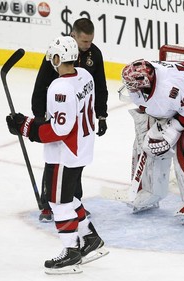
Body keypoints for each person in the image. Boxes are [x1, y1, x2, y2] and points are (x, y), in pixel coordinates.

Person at [6, 36, 109, 274]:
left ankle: (71, 253)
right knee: (70, 197)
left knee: (58, 202)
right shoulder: (85, 75)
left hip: (65, 154)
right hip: (82, 148)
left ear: (57, 58)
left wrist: (25, 128)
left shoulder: (59, 87)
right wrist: (28, 123)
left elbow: (59, 129)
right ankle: (90, 239)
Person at [120, 59, 184, 224]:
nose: (130, 88)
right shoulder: (149, 83)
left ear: (145, 82)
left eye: (132, 84)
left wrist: (173, 129)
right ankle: (151, 191)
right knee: (145, 134)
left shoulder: (168, 87)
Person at [31, 18, 109, 222]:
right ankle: (48, 204)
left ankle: (74, 200)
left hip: (80, 116)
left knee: (75, 159)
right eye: (84, 41)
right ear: (73, 35)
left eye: (90, 41)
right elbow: (40, 86)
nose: (88, 46)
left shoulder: (94, 54)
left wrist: (101, 115)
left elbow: (100, 85)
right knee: (54, 158)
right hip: (58, 112)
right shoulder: (58, 53)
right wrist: (39, 117)